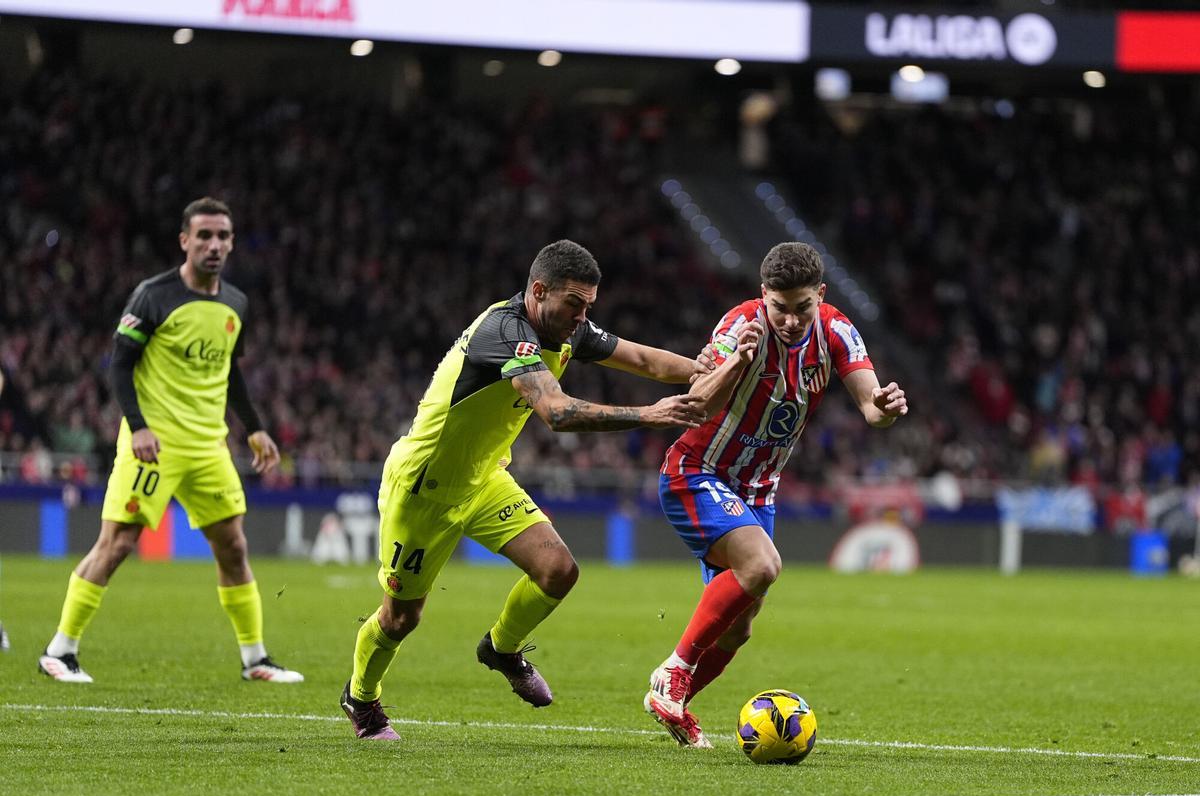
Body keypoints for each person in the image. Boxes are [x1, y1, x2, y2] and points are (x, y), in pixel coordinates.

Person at [340, 239, 710, 739]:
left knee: (558, 571)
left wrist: (709, 369)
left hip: (484, 477)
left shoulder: (567, 327)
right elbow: (555, 412)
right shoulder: (503, 331)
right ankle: (361, 697)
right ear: (539, 291)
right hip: (424, 487)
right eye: (574, 304)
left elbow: (643, 360)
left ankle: (501, 648)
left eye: (588, 307)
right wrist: (648, 415)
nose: (582, 317)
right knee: (401, 618)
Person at [643, 242, 908, 747]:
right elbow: (697, 403)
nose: (789, 321)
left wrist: (886, 405)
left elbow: (873, 410)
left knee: (737, 631)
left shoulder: (836, 331)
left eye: (801, 308)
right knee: (762, 565)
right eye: (779, 308)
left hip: (758, 491)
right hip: (696, 472)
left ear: (820, 296)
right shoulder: (740, 325)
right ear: (763, 295)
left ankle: (672, 702)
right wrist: (734, 364)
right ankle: (674, 672)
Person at [37, 197, 302, 684]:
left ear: (232, 243)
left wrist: (255, 426)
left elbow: (230, 373)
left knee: (234, 547)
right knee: (117, 543)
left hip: (208, 446)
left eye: (222, 236)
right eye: (204, 236)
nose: (214, 245)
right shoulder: (153, 296)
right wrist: (137, 426)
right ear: (184, 241)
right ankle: (60, 651)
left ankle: (255, 659)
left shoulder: (235, 303)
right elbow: (118, 365)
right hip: (155, 441)